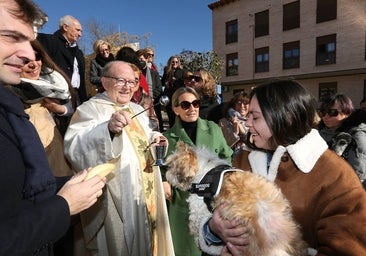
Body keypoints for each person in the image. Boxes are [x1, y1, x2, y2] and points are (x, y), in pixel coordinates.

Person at [199, 80, 366, 256]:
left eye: (255, 117)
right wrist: (214, 230)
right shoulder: (242, 162)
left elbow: (349, 249)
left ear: (287, 118)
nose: (247, 123)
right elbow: (216, 217)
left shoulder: (336, 176)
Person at [0, 1, 106, 255]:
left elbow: (19, 190)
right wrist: (63, 206)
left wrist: (70, 182)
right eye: (11, 37)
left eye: (30, 43)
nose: (28, 55)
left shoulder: (10, 111)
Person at [64, 60, 174, 256]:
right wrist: (106, 129)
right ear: (105, 81)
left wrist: (157, 138)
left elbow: (145, 136)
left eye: (132, 82)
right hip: (117, 199)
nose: (128, 87)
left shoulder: (135, 109)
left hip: (145, 193)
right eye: (121, 80)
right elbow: (74, 147)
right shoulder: (90, 109)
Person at [162, 86, 233, 256]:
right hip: (182, 205)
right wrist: (164, 180)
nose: (192, 108)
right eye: (185, 105)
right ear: (175, 109)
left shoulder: (213, 129)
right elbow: (160, 167)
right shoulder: (166, 136)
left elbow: (227, 156)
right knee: (186, 250)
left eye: (196, 103)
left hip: (213, 204)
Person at [7, 39, 74, 177]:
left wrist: (60, 109)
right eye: (24, 61)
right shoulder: (10, 99)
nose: (34, 64)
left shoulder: (50, 85)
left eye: (36, 57)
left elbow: (71, 106)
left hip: (61, 162)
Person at [37, 15, 87, 105]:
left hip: (76, 97)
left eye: (81, 31)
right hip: (56, 96)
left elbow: (82, 81)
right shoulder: (49, 41)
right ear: (65, 27)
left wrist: (84, 101)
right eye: (77, 30)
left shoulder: (79, 53)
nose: (80, 34)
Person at [318, 93, 366, 183]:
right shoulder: (320, 133)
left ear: (347, 112)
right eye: (323, 112)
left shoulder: (357, 135)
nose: (326, 116)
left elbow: (358, 175)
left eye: (332, 112)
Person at [218, 91, 250, 166]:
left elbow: (255, 144)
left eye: (245, 103)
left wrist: (243, 131)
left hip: (250, 162)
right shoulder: (224, 122)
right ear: (233, 105)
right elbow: (224, 146)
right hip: (230, 162)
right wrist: (235, 132)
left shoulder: (254, 121)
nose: (242, 106)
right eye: (239, 102)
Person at [137, 48, 164, 131]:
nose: (140, 61)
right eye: (138, 59)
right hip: (138, 103)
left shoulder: (154, 73)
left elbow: (159, 89)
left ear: (146, 59)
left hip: (153, 103)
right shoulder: (135, 72)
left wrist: (150, 98)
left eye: (142, 59)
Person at [161, 55, 186, 127]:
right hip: (169, 95)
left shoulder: (182, 71)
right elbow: (162, 82)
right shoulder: (167, 70)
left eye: (176, 62)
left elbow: (184, 83)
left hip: (178, 95)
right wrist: (166, 82)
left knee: (178, 114)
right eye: (173, 62)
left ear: (178, 63)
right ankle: (172, 129)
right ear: (170, 62)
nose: (174, 63)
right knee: (170, 114)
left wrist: (176, 81)